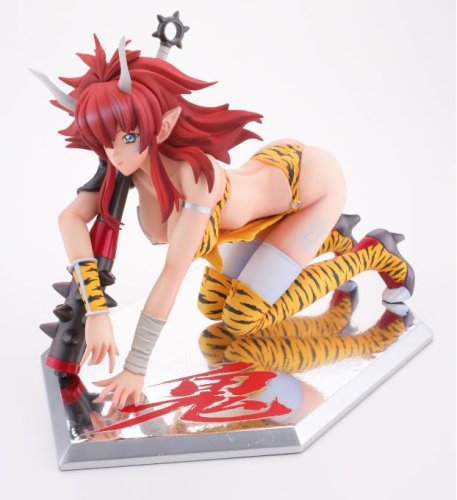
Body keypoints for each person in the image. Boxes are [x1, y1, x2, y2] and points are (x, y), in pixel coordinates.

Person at [34, 35, 414, 409]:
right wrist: (96, 309)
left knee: (244, 316)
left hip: (310, 187)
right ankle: (331, 237)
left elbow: (173, 272)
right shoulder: (126, 165)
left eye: (128, 137)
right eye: (104, 142)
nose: (114, 154)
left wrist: (135, 368)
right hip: (263, 199)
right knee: (213, 307)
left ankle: (371, 252)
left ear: (162, 127)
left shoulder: (194, 180)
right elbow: (70, 219)